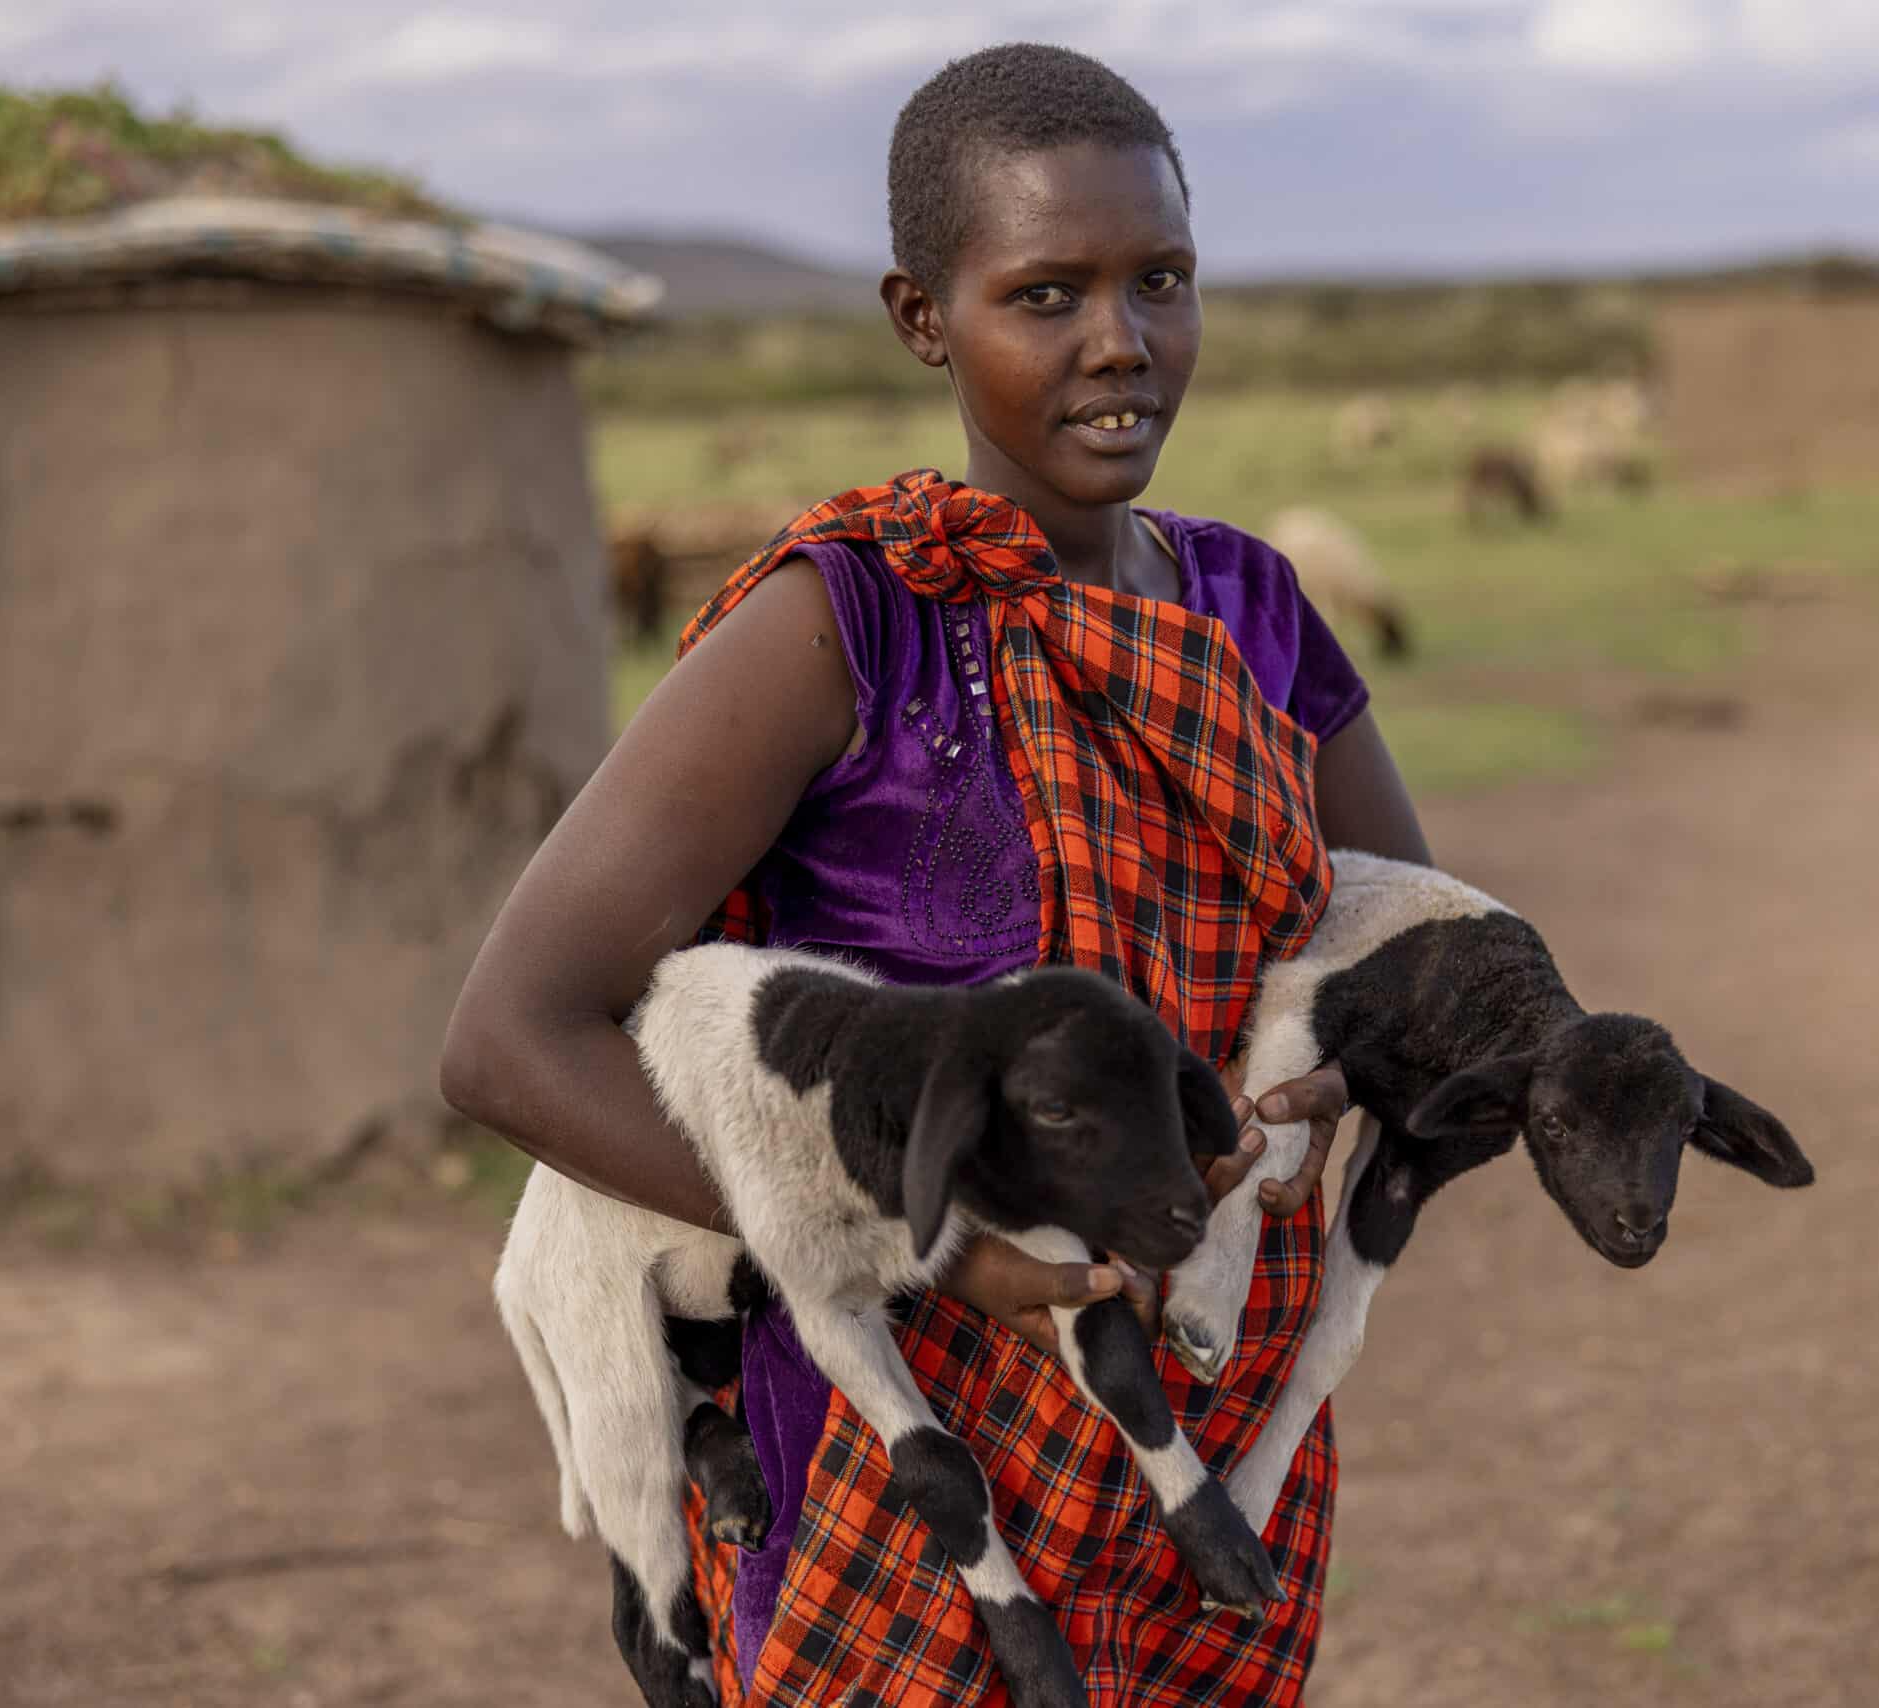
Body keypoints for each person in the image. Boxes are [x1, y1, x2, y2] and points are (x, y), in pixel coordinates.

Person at [440, 41, 1430, 1708]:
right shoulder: (843, 628)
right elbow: (512, 1036)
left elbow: (1400, 959)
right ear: (924, 320)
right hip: (895, 1459)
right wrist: (931, 1248)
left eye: (1161, 281)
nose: (1122, 343)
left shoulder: (1254, 616)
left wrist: (1342, 1094)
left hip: (1212, 1416)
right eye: (1047, 294)